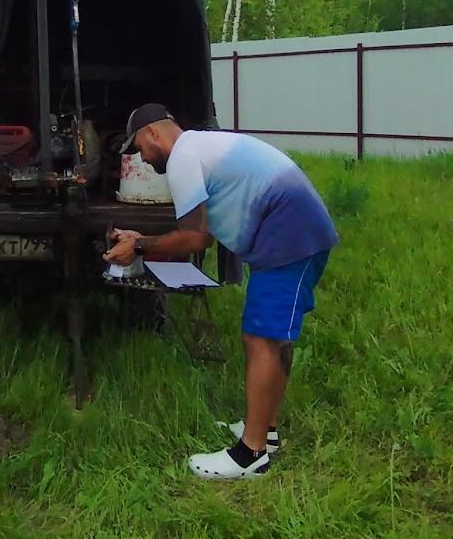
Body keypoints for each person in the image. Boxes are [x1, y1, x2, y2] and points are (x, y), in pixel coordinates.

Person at [103, 103, 338, 480]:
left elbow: (195, 239)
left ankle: (250, 455)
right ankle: (267, 431)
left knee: (261, 338)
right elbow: (206, 230)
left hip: (291, 232)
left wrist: (140, 246)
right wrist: (142, 240)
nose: (143, 160)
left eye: (140, 149)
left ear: (153, 134)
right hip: (293, 228)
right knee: (273, 337)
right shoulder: (200, 147)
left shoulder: (182, 157)